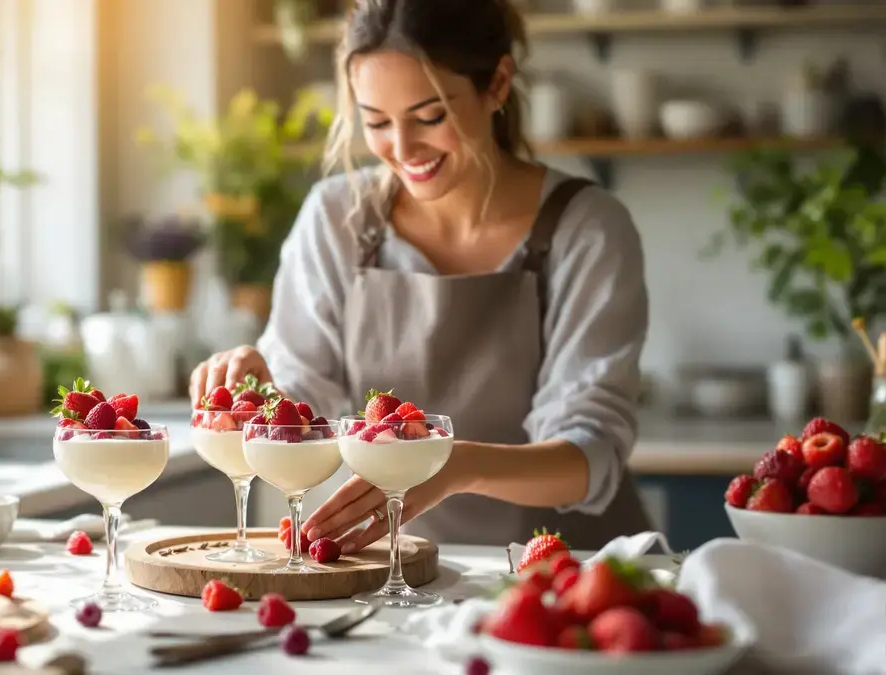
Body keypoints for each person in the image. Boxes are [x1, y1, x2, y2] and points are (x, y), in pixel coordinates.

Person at [190, 0, 652, 553]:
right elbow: (302, 397)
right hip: (392, 565)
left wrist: (452, 465)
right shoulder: (338, 218)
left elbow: (591, 452)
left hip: (560, 572)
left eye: (430, 116)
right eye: (377, 122)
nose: (402, 151)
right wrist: (261, 388)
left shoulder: (587, 228)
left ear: (498, 84)